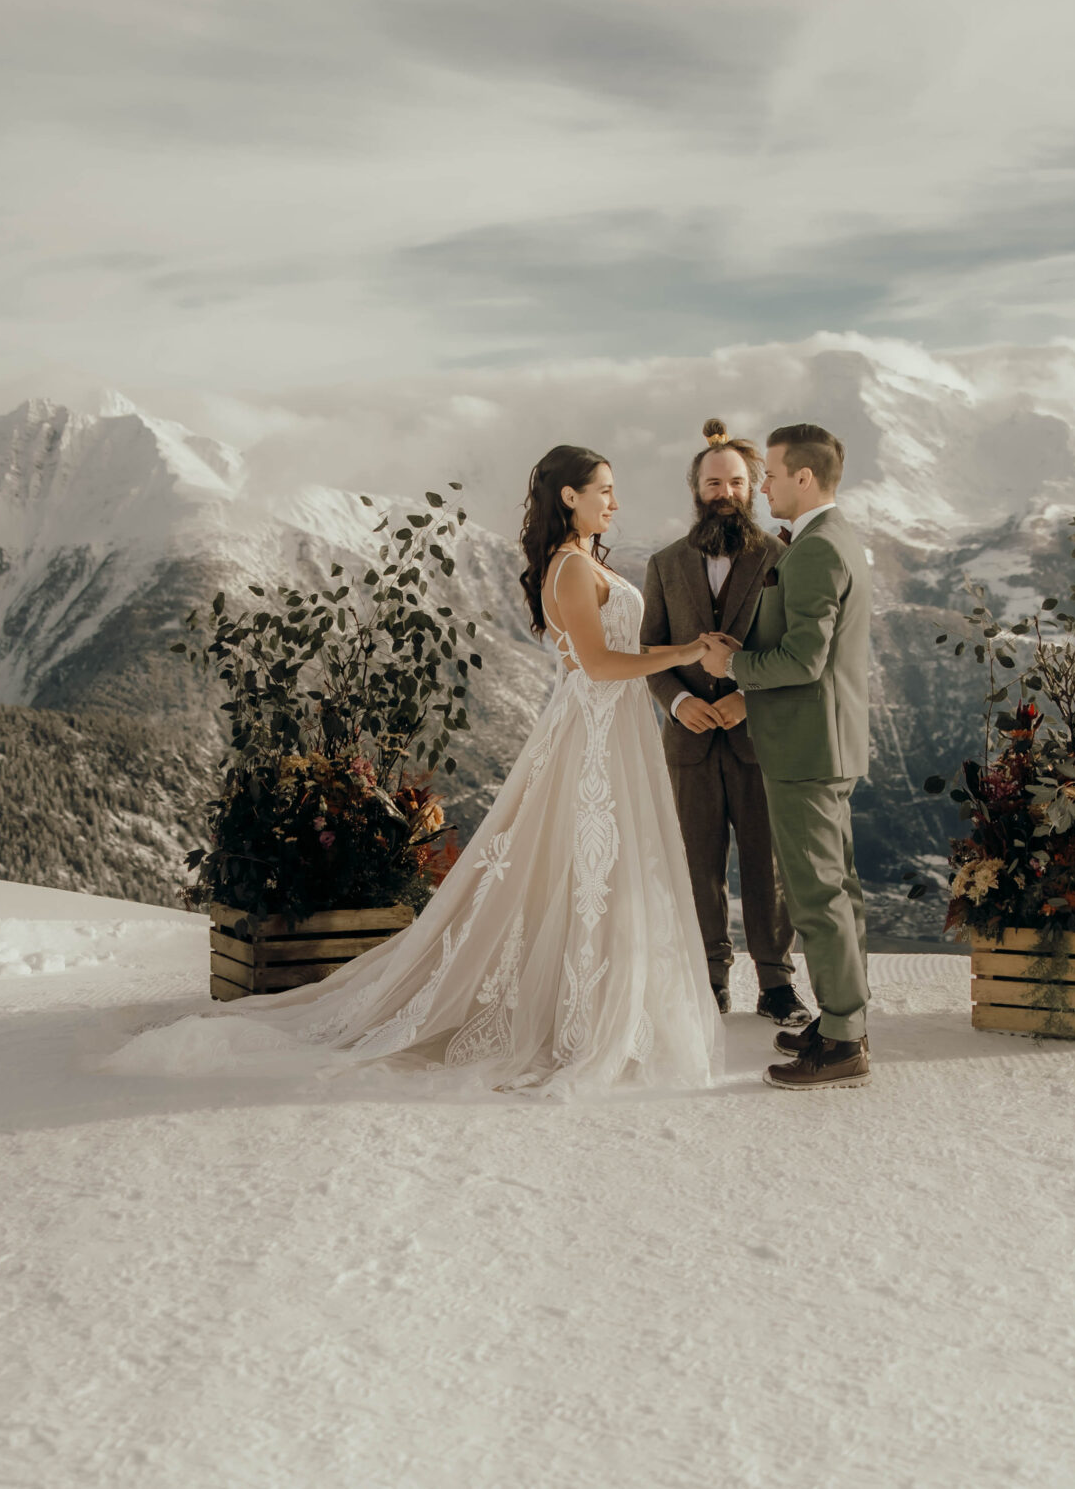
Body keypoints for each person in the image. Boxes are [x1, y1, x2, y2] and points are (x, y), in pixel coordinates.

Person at [163, 445, 726, 1097]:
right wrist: (686, 650)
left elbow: (618, 651)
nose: (615, 501)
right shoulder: (570, 568)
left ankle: (606, 1006)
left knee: (603, 872)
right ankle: (580, 1017)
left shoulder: (581, 563)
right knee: (588, 870)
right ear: (568, 496)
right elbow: (597, 666)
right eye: (604, 489)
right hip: (594, 741)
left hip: (614, 732)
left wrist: (690, 653)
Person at [701, 422, 874, 1091]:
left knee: (816, 895)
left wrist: (732, 662)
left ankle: (842, 1043)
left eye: (770, 473)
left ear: (805, 477)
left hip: (806, 744)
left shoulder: (814, 551)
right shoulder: (837, 539)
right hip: (825, 741)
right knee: (841, 889)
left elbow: (805, 659)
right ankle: (843, 1020)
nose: (762, 485)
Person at [640, 420, 808, 1024]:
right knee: (696, 864)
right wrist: (681, 704)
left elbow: (797, 651)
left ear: (753, 485)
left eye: (736, 482)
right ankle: (708, 978)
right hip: (687, 741)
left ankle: (776, 982)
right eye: (714, 482)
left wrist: (748, 700)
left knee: (769, 865)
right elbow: (649, 653)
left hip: (759, 738)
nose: (725, 492)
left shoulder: (784, 559)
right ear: (697, 488)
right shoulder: (663, 565)